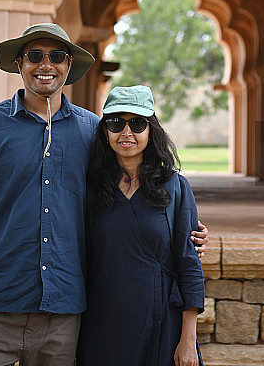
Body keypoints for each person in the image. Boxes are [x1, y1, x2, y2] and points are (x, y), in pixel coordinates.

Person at [0, 23, 207, 366]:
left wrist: (187, 232)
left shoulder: (91, 131)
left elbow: (137, 193)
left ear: (69, 65)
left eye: (56, 56)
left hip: (63, 312)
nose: (45, 65)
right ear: (19, 63)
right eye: (35, 56)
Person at [77, 85, 205, 366]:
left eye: (137, 123)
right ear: (105, 131)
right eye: (115, 123)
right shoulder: (90, 190)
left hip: (161, 325)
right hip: (102, 327)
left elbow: (189, 264)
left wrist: (188, 339)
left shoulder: (175, 188)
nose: (126, 133)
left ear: (151, 129)